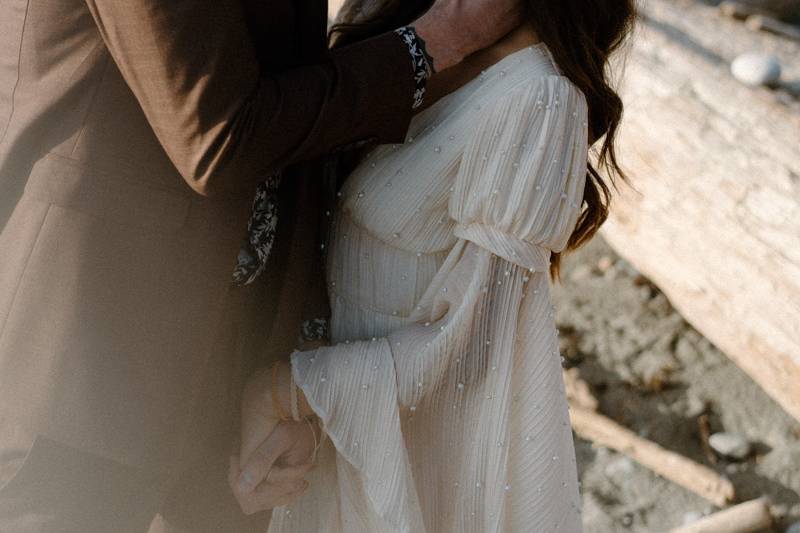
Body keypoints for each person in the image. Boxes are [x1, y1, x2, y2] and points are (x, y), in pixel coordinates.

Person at [0, 0, 523, 531]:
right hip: (77, 359)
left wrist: (300, 349)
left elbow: (292, 127)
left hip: (229, 370)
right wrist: (436, 41)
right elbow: (216, 137)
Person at [233, 0, 636, 531]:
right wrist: (309, 405)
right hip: (335, 421)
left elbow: (472, 347)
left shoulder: (539, 98)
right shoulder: (407, 21)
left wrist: (286, 390)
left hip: (412, 455)